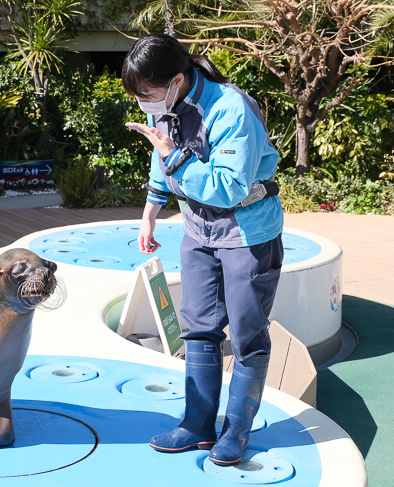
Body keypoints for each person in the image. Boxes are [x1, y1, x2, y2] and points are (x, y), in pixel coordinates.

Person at [121, 33, 284, 466]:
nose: (145, 104)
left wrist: (174, 157)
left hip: (246, 232)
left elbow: (228, 188)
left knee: (248, 336)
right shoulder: (170, 107)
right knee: (198, 329)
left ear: (177, 79)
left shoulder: (232, 109)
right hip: (198, 230)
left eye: (148, 94)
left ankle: (236, 430)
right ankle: (196, 425)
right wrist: (151, 210)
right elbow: (162, 159)